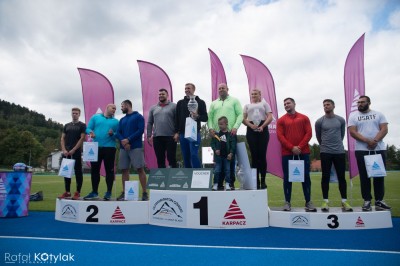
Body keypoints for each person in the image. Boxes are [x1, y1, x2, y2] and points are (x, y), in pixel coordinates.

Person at [348, 95, 391, 211]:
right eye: (358, 102)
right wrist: (367, 141)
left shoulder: (379, 114)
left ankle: (379, 201)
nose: (359, 104)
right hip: (361, 150)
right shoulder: (353, 116)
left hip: (378, 149)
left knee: (379, 176)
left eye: (362, 102)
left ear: (369, 103)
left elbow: (384, 129)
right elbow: (352, 132)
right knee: (364, 176)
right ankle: (367, 200)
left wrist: (375, 141)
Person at [277, 97, 316, 212]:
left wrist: (299, 147)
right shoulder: (281, 120)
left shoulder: (304, 118)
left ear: (294, 104)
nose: (286, 105)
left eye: (288, 103)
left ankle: (308, 202)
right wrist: (291, 147)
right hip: (287, 153)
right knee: (287, 179)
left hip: (303, 152)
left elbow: (308, 134)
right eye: (284, 104)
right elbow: (280, 137)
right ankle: (287, 202)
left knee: (305, 178)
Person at [315, 99, 352, 212]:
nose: (326, 106)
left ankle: (344, 201)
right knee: (325, 177)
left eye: (328, 104)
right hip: (325, 152)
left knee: (341, 177)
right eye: (324, 105)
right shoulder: (319, 121)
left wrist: (336, 146)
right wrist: (325, 146)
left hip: (339, 152)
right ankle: (325, 201)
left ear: (333, 106)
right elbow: (318, 137)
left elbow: (341, 135)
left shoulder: (340, 120)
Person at [208, 83, 243, 190]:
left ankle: (230, 183)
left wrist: (236, 127)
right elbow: (210, 117)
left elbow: (240, 114)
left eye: (223, 88)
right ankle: (218, 183)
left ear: (227, 89)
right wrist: (210, 128)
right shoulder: (214, 103)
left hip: (230, 134)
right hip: (217, 135)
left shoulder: (234, 100)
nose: (221, 89)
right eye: (219, 88)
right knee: (218, 162)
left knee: (230, 161)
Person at [83, 104, 119, 201]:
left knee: (109, 171)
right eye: (113, 108)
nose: (114, 110)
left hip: (110, 148)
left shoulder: (116, 122)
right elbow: (87, 128)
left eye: (115, 109)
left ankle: (108, 192)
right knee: (94, 170)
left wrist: (113, 134)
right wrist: (90, 132)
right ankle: (94, 192)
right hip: (95, 147)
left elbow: (118, 135)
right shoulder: (95, 117)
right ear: (107, 108)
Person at [116, 100, 148, 201]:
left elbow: (140, 130)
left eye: (122, 106)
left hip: (136, 147)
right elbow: (118, 132)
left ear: (127, 105)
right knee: (124, 170)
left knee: (140, 169)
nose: (121, 108)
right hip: (123, 148)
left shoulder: (138, 116)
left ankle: (144, 192)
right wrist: (123, 141)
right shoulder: (122, 120)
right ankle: (124, 192)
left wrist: (128, 140)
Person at [242, 89, 273, 189]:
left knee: (262, 156)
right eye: (252, 94)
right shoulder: (247, 106)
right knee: (254, 157)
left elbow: (270, 117)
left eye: (256, 94)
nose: (254, 95)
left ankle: (263, 181)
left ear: (260, 95)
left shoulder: (265, 104)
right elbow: (243, 119)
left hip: (262, 129)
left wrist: (263, 126)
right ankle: (256, 181)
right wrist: (251, 126)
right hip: (251, 130)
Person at [175, 83, 208, 168]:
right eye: (185, 88)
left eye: (188, 88)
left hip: (194, 132)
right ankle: (188, 178)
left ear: (194, 89)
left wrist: (197, 116)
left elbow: (205, 118)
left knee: (194, 154)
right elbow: (177, 119)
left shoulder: (200, 102)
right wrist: (176, 132)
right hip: (182, 133)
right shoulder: (180, 103)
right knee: (186, 157)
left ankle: (198, 175)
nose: (186, 90)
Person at [58, 107, 86, 200]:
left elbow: (82, 138)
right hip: (67, 153)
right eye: (73, 113)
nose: (74, 114)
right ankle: (67, 192)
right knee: (66, 173)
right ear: (71, 114)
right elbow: (62, 138)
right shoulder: (66, 125)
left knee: (78, 172)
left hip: (76, 152)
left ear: (79, 114)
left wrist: (74, 149)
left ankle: (78, 192)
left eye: (76, 113)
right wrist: (64, 150)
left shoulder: (82, 125)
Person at [147, 89, 177, 168]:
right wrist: (149, 135)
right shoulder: (153, 108)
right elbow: (150, 122)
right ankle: (163, 179)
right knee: (160, 160)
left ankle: (174, 179)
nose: (161, 96)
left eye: (163, 94)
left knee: (171, 158)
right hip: (157, 137)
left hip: (171, 136)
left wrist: (177, 133)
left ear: (167, 95)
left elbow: (178, 120)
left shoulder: (174, 106)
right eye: (159, 94)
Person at [211, 116, 237, 191]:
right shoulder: (216, 135)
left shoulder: (231, 135)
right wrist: (215, 150)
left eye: (221, 124)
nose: (220, 126)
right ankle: (215, 184)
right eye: (219, 124)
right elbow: (212, 144)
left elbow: (233, 146)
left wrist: (231, 153)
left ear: (226, 124)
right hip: (218, 157)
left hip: (227, 157)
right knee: (217, 171)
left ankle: (228, 184)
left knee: (227, 170)